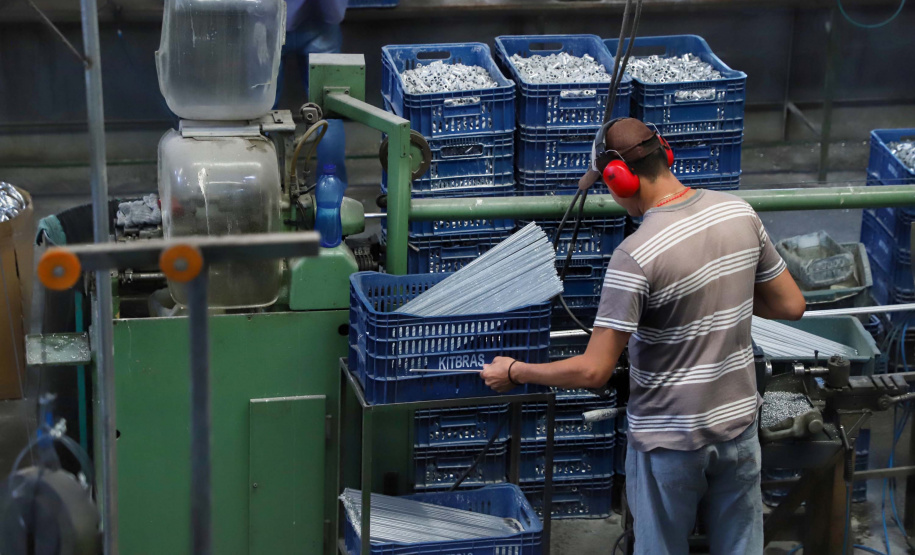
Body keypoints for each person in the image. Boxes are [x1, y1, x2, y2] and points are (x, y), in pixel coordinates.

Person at [480, 118, 806, 555]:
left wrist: (515, 371)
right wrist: (721, 294)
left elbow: (594, 371)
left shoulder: (635, 255)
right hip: (739, 427)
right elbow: (791, 305)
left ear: (619, 178)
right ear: (665, 154)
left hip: (670, 441)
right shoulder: (738, 212)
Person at [277, 0, 349, 183]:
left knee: (261, 109)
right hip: (321, 21)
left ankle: (264, 182)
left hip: (269, 20)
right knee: (328, 109)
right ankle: (330, 185)